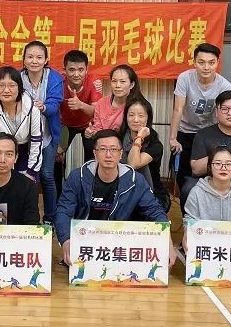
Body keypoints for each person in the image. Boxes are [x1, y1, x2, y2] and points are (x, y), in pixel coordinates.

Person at [56, 130, 174, 267]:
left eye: (113, 149)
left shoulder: (135, 180)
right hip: (85, 242)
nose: (108, 155)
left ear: (121, 153)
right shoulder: (78, 177)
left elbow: (155, 211)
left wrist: (168, 241)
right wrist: (66, 240)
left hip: (120, 244)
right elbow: (63, 211)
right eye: (103, 149)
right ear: (95, 153)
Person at [169, 43, 231, 196]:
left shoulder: (224, 85)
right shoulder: (185, 78)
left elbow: (223, 114)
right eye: (201, 62)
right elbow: (178, 109)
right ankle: (186, 207)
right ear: (194, 62)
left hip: (209, 133)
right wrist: (173, 138)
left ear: (217, 63)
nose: (206, 67)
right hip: (185, 130)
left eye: (211, 62)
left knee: (210, 171)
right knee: (184, 174)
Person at [20, 41, 64, 225]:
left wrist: (43, 107)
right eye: (30, 57)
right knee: (23, 176)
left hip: (46, 135)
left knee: (47, 176)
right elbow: (3, 94)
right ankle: (23, 217)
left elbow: (55, 104)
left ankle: (50, 219)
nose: (34, 61)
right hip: (22, 137)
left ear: (46, 60)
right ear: (24, 60)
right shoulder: (17, 77)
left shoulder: (54, 78)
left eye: (39, 57)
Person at [183, 147, 231, 250]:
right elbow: (190, 221)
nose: (223, 168)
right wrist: (187, 233)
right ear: (210, 167)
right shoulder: (197, 192)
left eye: (228, 164)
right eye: (218, 163)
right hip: (206, 247)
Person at [0, 65, 43, 180]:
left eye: (12, 85)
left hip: (25, 150)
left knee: (26, 185)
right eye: (1, 85)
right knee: (1, 185)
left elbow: (36, 141)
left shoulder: (32, 107)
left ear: (20, 88)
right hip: (0, 151)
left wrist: (31, 172)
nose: (6, 90)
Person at [56, 50, 103, 176]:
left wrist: (80, 105)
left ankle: (88, 186)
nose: (76, 74)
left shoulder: (94, 81)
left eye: (81, 70)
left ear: (87, 70)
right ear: (64, 70)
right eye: (71, 70)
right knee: (56, 159)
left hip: (88, 124)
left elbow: (96, 112)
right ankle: (59, 188)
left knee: (92, 159)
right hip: (65, 124)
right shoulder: (58, 81)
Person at [117, 98, 167, 210]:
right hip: (122, 189)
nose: (136, 120)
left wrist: (139, 137)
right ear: (126, 117)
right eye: (131, 115)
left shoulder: (155, 145)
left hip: (151, 191)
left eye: (141, 116)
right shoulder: (119, 138)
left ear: (148, 118)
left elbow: (133, 164)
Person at [86, 64, 139, 138]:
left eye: (122, 81)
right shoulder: (101, 103)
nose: (117, 85)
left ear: (132, 85)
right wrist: (92, 132)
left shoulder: (137, 106)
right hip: (103, 142)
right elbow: (97, 129)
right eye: (114, 81)